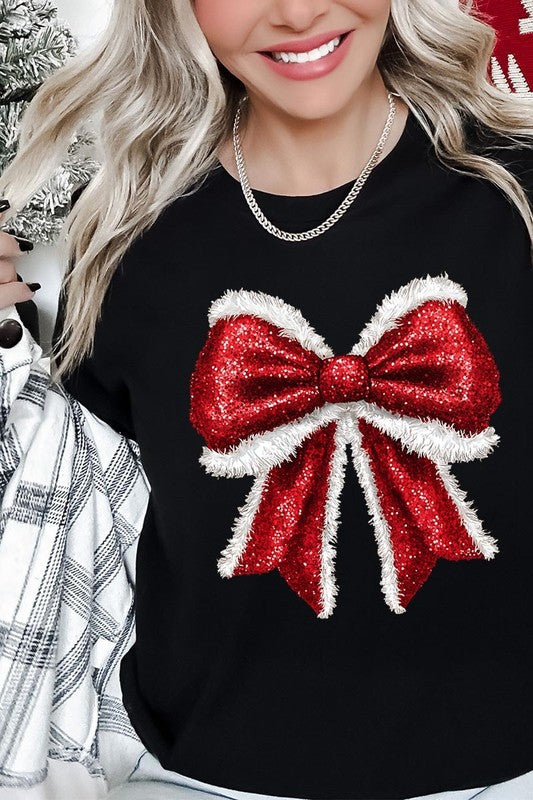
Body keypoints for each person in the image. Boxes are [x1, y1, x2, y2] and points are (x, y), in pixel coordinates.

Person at [0, 1, 532, 799]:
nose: (295, 11)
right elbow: (73, 512)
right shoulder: (120, 236)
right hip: (194, 774)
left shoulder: (515, 192)